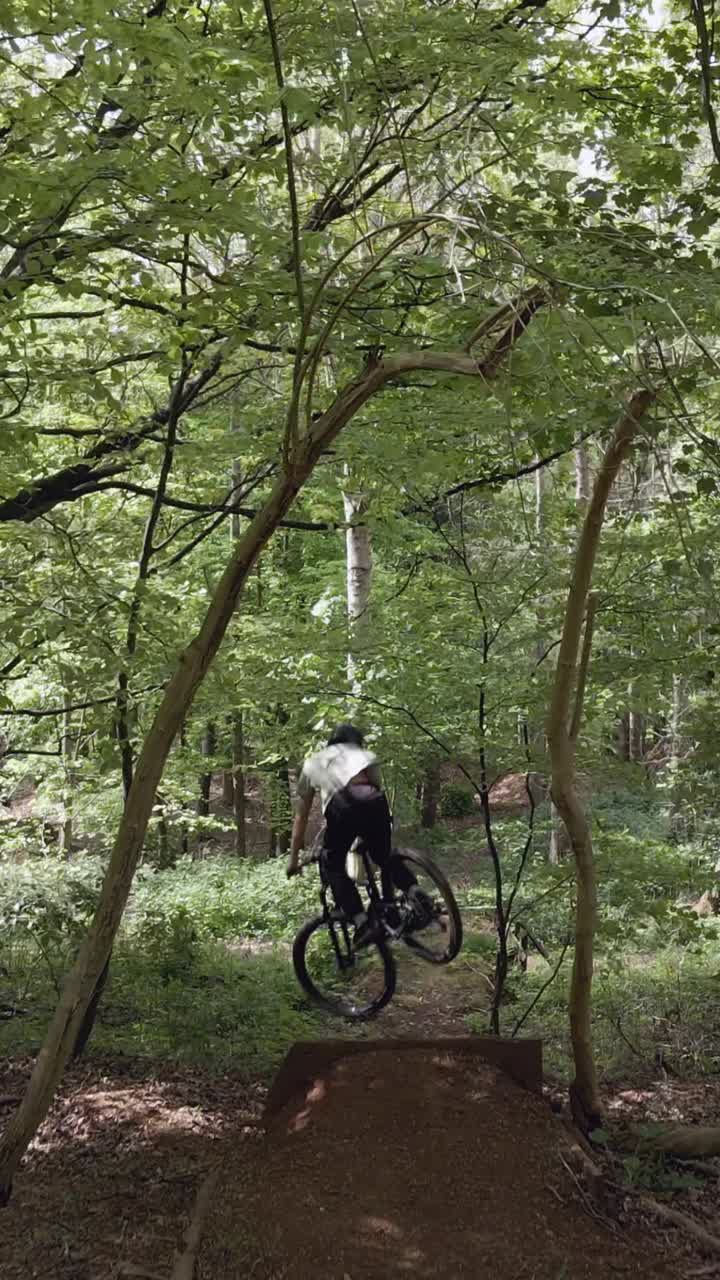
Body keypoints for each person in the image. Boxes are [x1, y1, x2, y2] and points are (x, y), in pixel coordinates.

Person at [287, 723, 417, 947]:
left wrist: (293, 859)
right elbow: (375, 788)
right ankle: (417, 893)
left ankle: (361, 921)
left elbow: (301, 817)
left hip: (342, 809)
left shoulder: (313, 763)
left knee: (332, 864)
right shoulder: (366, 756)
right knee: (383, 855)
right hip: (376, 806)